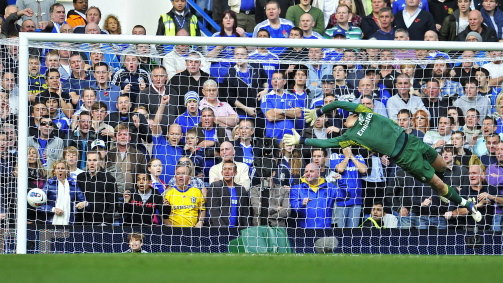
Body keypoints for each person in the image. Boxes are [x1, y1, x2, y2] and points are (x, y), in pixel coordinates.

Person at [284, 101, 483, 222]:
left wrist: (320, 111)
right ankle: (467, 204)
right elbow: (326, 142)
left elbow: (338, 103)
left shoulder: (364, 111)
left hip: (412, 141)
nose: (344, 120)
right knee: (438, 183)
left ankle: (443, 193)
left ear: (353, 114)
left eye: (346, 117)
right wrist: (302, 140)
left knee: (443, 167)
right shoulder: (349, 136)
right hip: (405, 158)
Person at [290, 163, 346, 228]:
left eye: (311, 171)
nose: (308, 173)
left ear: (318, 173)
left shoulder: (329, 187)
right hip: (304, 231)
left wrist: (341, 181)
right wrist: (302, 203)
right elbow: (294, 208)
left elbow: (343, 196)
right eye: (306, 171)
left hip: (325, 230)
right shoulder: (296, 188)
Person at [444, 164, 497, 230]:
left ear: (482, 174)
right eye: (470, 173)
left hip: (487, 232)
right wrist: (477, 205)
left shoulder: (491, 189)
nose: (471, 176)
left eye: (474, 173)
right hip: (468, 231)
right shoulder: (463, 192)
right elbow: (454, 213)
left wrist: (491, 197)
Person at [40, 160, 87, 225]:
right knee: (48, 235)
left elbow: (84, 202)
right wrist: (53, 209)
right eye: (58, 168)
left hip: (69, 223)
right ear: (54, 171)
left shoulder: (73, 184)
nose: (60, 170)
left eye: (62, 168)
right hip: (50, 223)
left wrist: (83, 204)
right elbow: (39, 205)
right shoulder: (49, 184)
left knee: (67, 235)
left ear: (67, 170)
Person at [330, 146, 367, 227]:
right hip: (340, 201)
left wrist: (352, 157)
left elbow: (363, 170)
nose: (348, 148)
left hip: (356, 201)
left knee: (353, 231)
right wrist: (347, 157)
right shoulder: (335, 156)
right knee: (340, 230)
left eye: (349, 146)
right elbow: (340, 169)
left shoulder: (358, 157)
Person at [76, 151, 117, 225]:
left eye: (95, 160)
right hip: (82, 223)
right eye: (89, 160)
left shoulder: (109, 179)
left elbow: (113, 204)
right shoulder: (80, 177)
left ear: (100, 161)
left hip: (101, 224)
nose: (92, 163)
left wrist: (106, 223)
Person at [207, 160, 251, 227]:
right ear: (222, 172)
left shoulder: (241, 189)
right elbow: (213, 210)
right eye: (224, 169)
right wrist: (223, 229)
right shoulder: (215, 186)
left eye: (230, 169)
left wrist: (246, 230)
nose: (227, 172)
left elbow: (245, 213)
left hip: (237, 230)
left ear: (235, 173)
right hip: (219, 230)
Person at [261, 71, 303, 141]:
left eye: (278, 79)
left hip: (290, 138)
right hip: (273, 138)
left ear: (284, 82)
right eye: (273, 79)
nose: (275, 81)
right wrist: (290, 113)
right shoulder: (266, 97)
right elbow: (270, 117)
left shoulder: (292, 96)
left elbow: (298, 114)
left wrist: (281, 111)